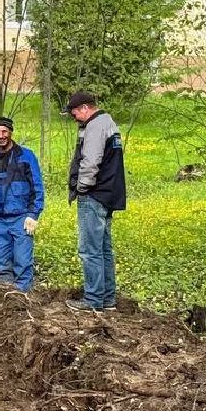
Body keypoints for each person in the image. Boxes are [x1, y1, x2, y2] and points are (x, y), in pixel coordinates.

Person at [64, 91, 126, 312]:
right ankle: (107, 299)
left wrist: (81, 188)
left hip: (94, 195)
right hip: (109, 194)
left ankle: (92, 300)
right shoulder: (109, 123)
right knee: (104, 249)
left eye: (74, 114)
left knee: (90, 250)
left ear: (84, 108)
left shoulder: (95, 126)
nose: (74, 119)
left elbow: (90, 162)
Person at [0, 116, 45, 291]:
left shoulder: (26, 157)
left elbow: (37, 187)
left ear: (11, 132)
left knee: (22, 261)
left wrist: (33, 214)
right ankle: (6, 294)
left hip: (21, 218)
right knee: (2, 262)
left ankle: (22, 295)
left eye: (4, 131)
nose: (1, 136)